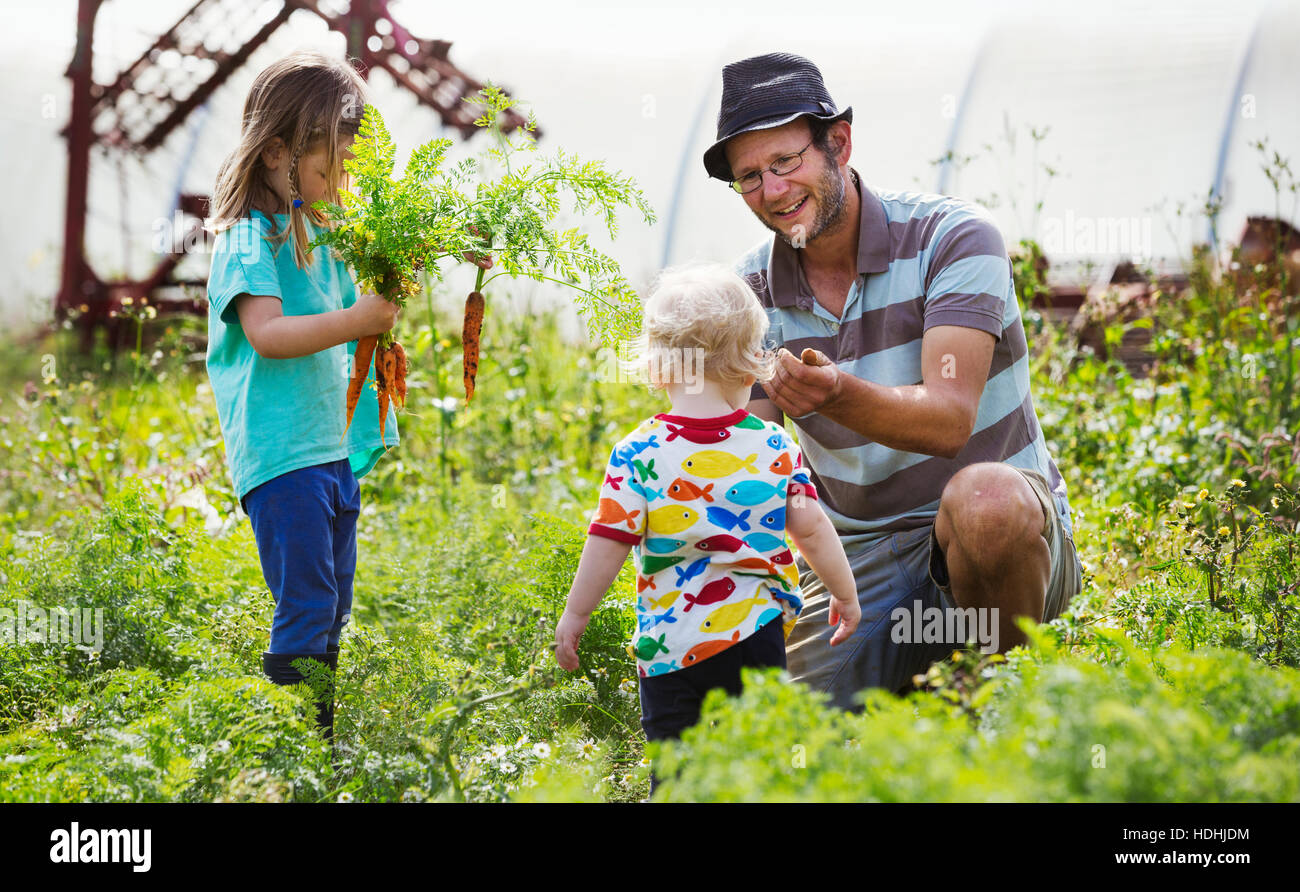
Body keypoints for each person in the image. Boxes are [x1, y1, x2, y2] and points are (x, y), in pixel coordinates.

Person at [703, 52, 1083, 709]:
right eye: (750, 177)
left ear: (839, 144)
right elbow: (756, 465)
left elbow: (948, 421)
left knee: (984, 500)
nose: (772, 191)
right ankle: (917, 672)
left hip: (1001, 536)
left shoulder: (953, 239)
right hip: (857, 560)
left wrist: (837, 394)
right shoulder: (749, 294)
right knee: (766, 724)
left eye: (787, 162)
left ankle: (1005, 716)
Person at [205, 51, 489, 740]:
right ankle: (296, 746)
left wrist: (457, 244)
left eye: (348, 167)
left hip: (327, 446)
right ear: (275, 154)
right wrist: (361, 320)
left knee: (333, 604)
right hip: (282, 450)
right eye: (329, 167)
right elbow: (268, 333)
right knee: (308, 600)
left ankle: (314, 737)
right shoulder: (249, 240)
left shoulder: (330, 227)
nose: (342, 183)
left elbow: (392, 257)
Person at [554, 263, 860, 788]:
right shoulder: (773, 447)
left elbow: (608, 541)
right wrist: (845, 594)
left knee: (676, 772)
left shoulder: (638, 452)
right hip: (754, 634)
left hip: (671, 643)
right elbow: (810, 529)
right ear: (749, 370)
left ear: (657, 369)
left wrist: (576, 615)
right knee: (762, 764)